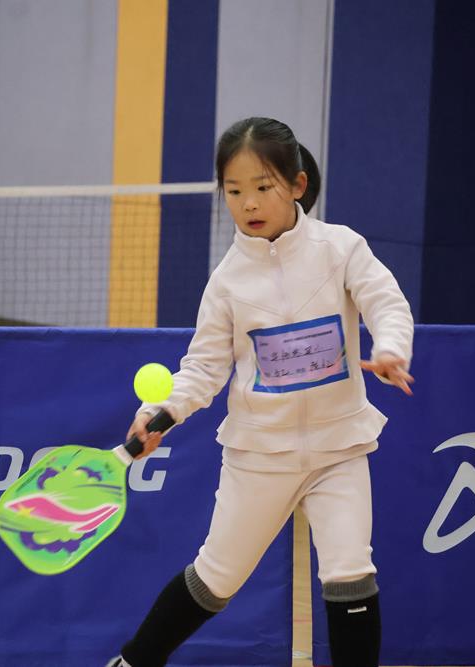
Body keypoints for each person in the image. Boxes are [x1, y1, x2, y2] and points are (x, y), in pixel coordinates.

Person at [107, 117, 415, 667]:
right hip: (259, 454)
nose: (248, 203)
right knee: (214, 579)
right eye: (233, 191)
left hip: (339, 446)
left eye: (263, 186)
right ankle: (132, 663)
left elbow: (385, 302)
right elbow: (204, 369)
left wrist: (391, 347)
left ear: (297, 185)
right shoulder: (226, 282)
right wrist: (162, 410)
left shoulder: (342, 249)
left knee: (350, 572)